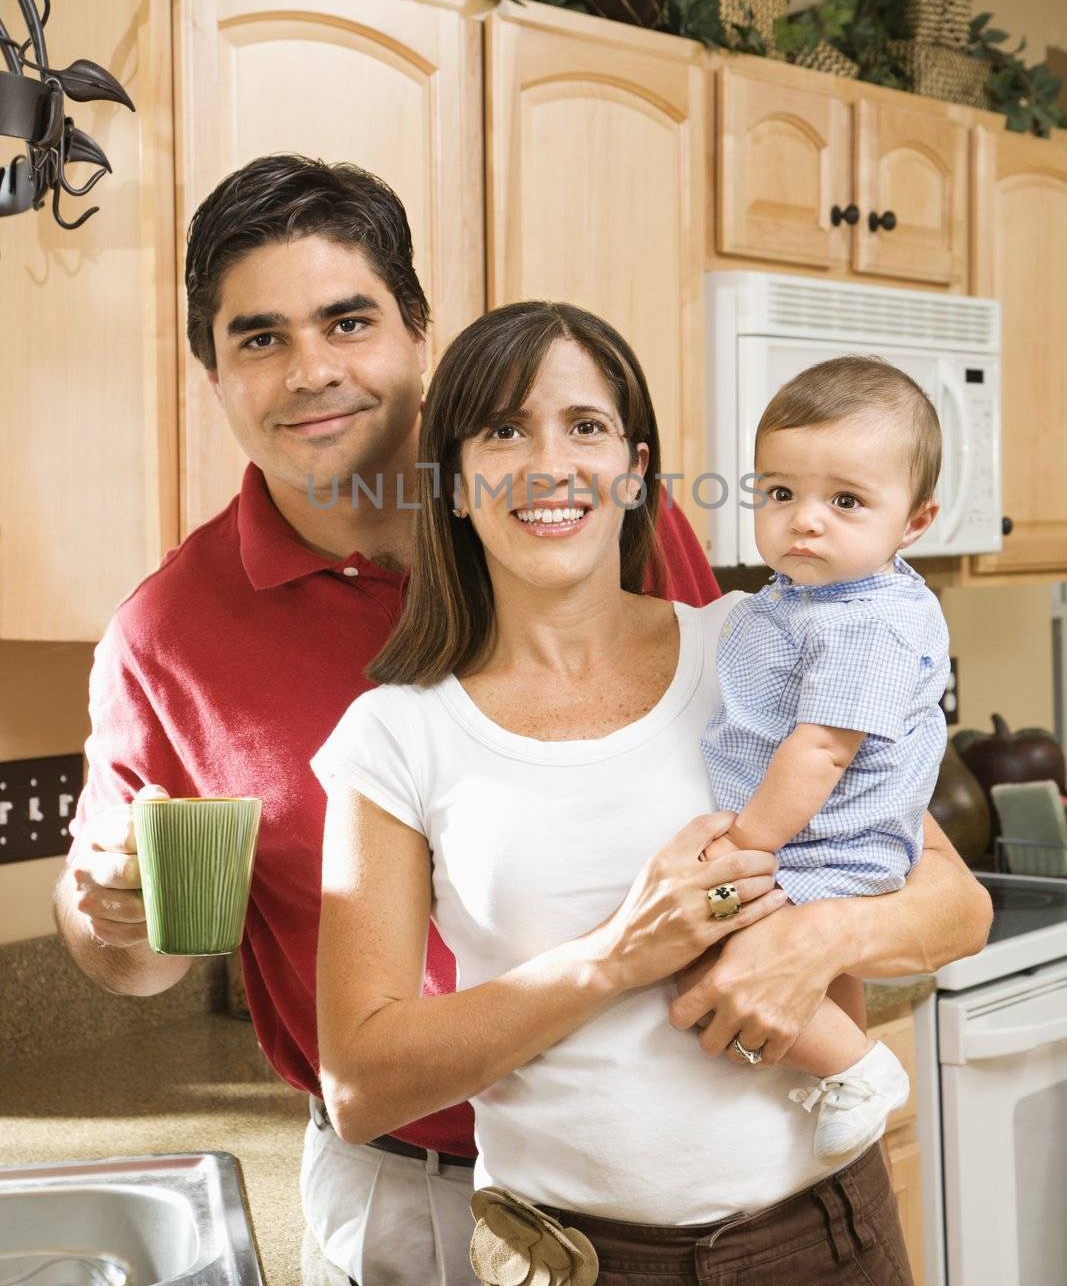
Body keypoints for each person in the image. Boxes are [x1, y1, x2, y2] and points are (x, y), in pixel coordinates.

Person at [52, 155, 725, 1286]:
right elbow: (141, 959)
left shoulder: (600, 522)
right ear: (209, 371)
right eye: (259, 337)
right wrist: (105, 909)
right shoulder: (166, 635)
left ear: (418, 330)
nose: (312, 371)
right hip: (409, 1196)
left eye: (347, 320)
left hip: (673, 1155)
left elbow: (749, 797)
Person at [312, 301, 992, 1286]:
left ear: (633, 472)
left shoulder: (751, 646)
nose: (548, 462)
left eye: (583, 427)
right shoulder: (395, 735)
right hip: (567, 1260)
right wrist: (615, 956)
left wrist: (817, 939)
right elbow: (359, 1084)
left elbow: (954, 905)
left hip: (825, 1240)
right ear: (453, 483)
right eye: (503, 429)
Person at [698, 355, 950, 1162]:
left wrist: (747, 848)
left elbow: (819, 750)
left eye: (844, 501)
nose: (804, 520)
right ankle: (841, 1066)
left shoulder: (862, 622)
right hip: (825, 837)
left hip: (825, 842)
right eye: (779, 494)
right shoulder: (815, 596)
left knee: (709, 947)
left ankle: (861, 1071)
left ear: (913, 521)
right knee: (810, 976)